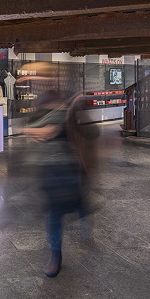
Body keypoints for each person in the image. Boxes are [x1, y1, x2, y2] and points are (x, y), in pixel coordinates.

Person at [24, 88, 94, 277]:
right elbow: (34, 132)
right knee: (54, 213)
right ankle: (56, 253)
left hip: (69, 171)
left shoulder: (67, 115)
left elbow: (90, 134)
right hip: (50, 173)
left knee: (77, 202)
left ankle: (84, 218)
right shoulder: (45, 115)